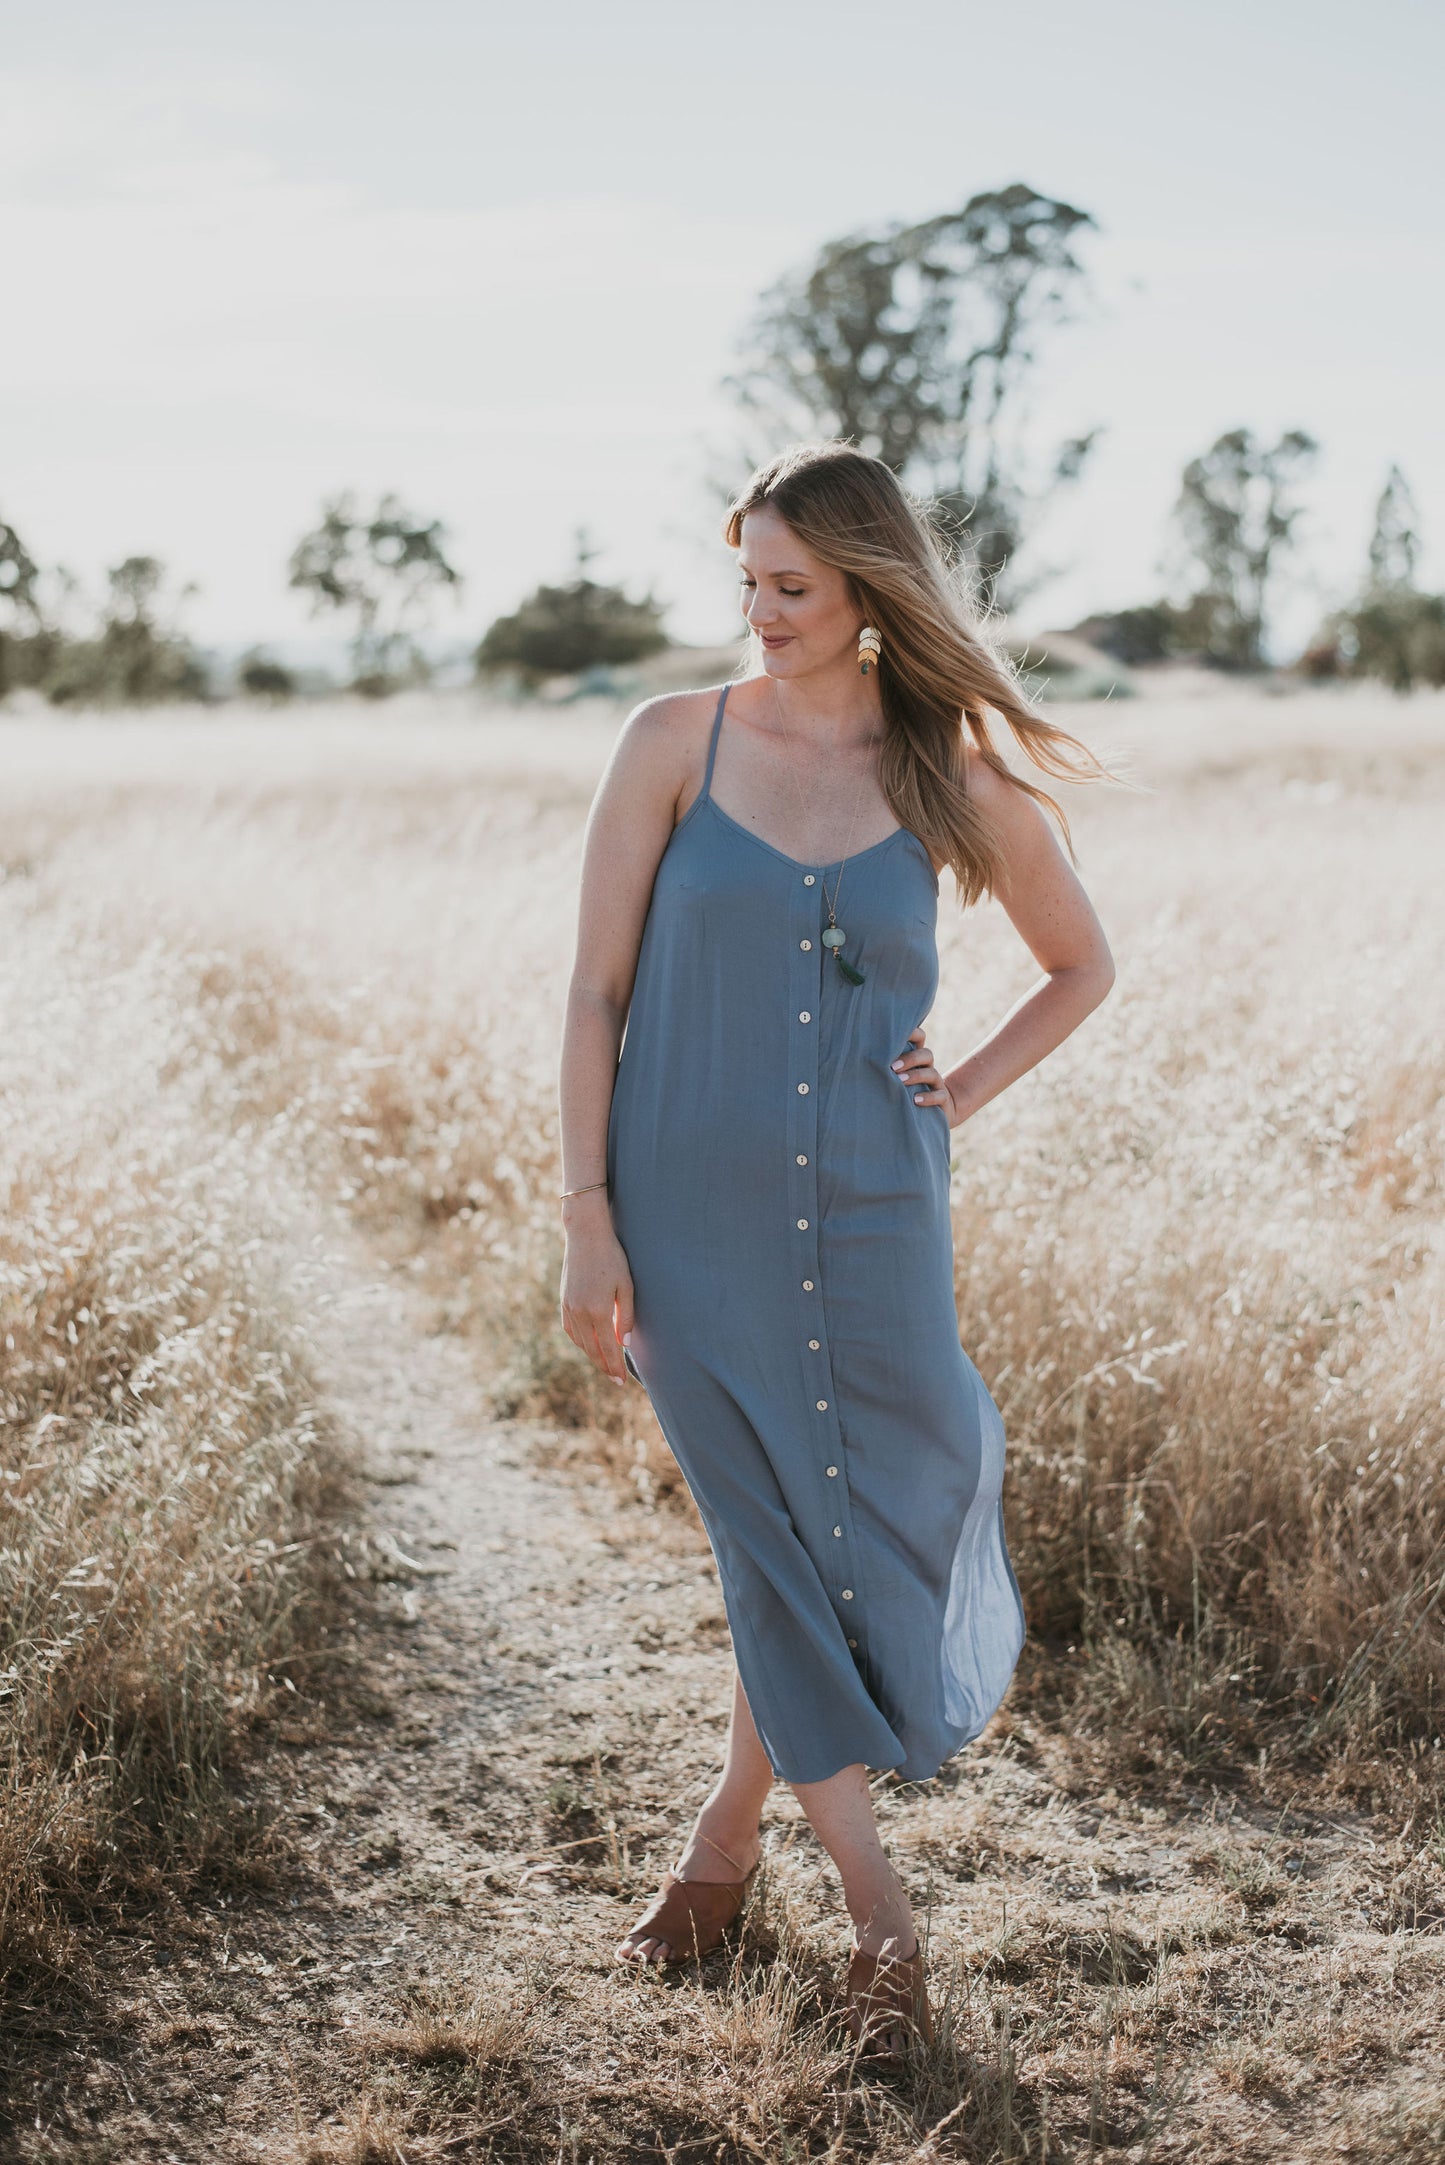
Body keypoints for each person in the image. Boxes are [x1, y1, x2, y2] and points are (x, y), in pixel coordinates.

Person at [556, 440, 1114, 2057]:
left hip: (877, 1217)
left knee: (858, 1524)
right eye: (746, 579)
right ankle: (882, 1922)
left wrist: (961, 1092)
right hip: (681, 1219)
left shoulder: (945, 775)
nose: (760, 611)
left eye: (790, 585)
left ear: (869, 588)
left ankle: (722, 1845)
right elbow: (592, 995)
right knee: (760, 1533)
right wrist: (585, 1214)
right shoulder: (671, 743)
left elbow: (1079, 963)